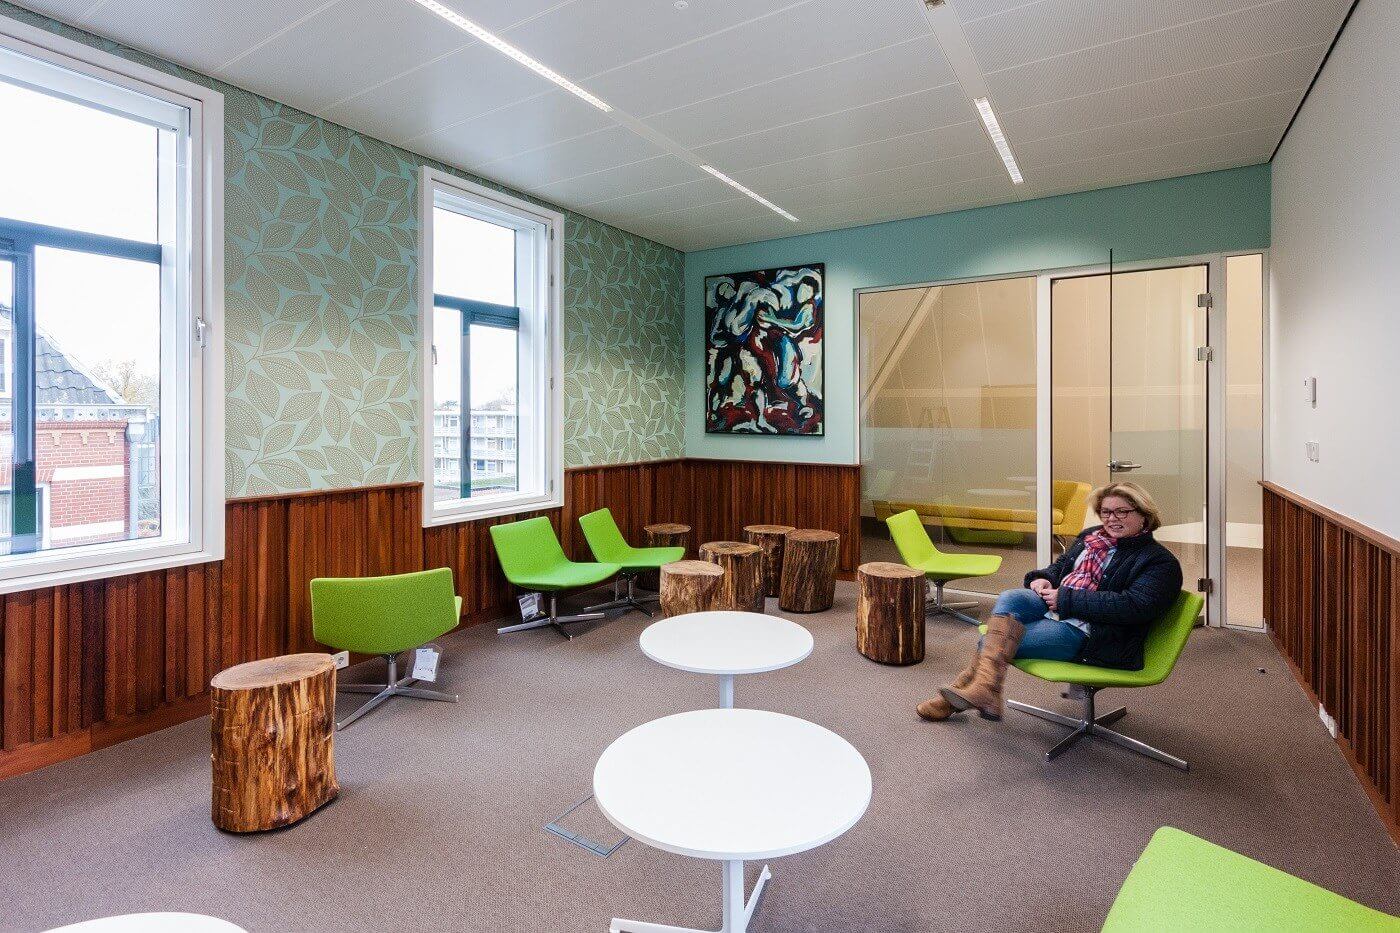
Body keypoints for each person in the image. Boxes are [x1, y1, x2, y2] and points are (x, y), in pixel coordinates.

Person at [917, 482, 1183, 722]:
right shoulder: (1091, 537)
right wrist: (1043, 579)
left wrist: (1066, 598)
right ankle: (984, 691)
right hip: (1058, 607)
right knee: (1011, 597)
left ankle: (967, 693)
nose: (1111, 519)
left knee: (992, 640)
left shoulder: (1159, 562)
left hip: (1094, 633)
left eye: (1121, 512)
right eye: (1106, 512)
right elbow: (1061, 567)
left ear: (1144, 515)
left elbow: (1133, 606)